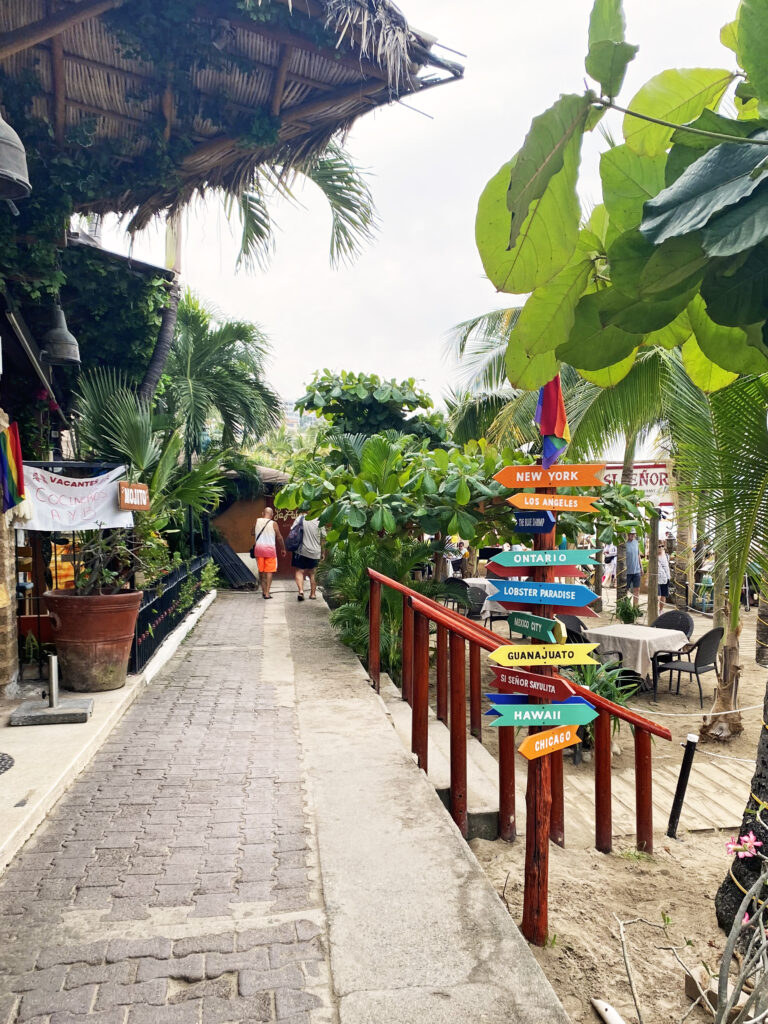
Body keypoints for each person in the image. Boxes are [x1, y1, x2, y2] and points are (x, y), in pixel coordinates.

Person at [253, 507, 285, 600]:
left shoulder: (257, 521)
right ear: (272, 515)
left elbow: (252, 532)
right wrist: (283, 548)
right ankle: (267, 593)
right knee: (269, 572)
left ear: (263, 513)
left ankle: (263, 591)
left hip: (259, 550)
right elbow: (279, 537)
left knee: (261, 572)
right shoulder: (274, 523)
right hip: (270, 551)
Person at [293, 516, 324, 601]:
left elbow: (293, 531)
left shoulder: (300, 519)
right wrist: (323, 552)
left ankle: (301, 591)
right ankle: (313, 594)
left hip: (301, 551)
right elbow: (323, 537)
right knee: (313, 573)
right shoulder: (320, 520)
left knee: (299, 571)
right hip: (315, 551)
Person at [626, 528, 642, 608]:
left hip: (637, 570)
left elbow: (638, 555)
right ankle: (625, 607)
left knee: (637, 590)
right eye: (630, 534)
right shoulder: (624, 544)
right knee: (626, 590)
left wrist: (641, 567)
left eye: (633, 534)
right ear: (628, 534)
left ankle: (635, 608)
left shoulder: (636, 543)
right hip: (627, 571)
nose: (632, 535)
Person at [657, 540, 671, 610]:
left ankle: (661, 610)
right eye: (659, 546)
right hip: (657, 578)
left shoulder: (666, 555)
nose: (661, 548)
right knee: (658, 595)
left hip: (666, 577)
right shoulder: (654, 556)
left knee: (663, 595)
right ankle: (655, 610)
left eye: (662, 546)